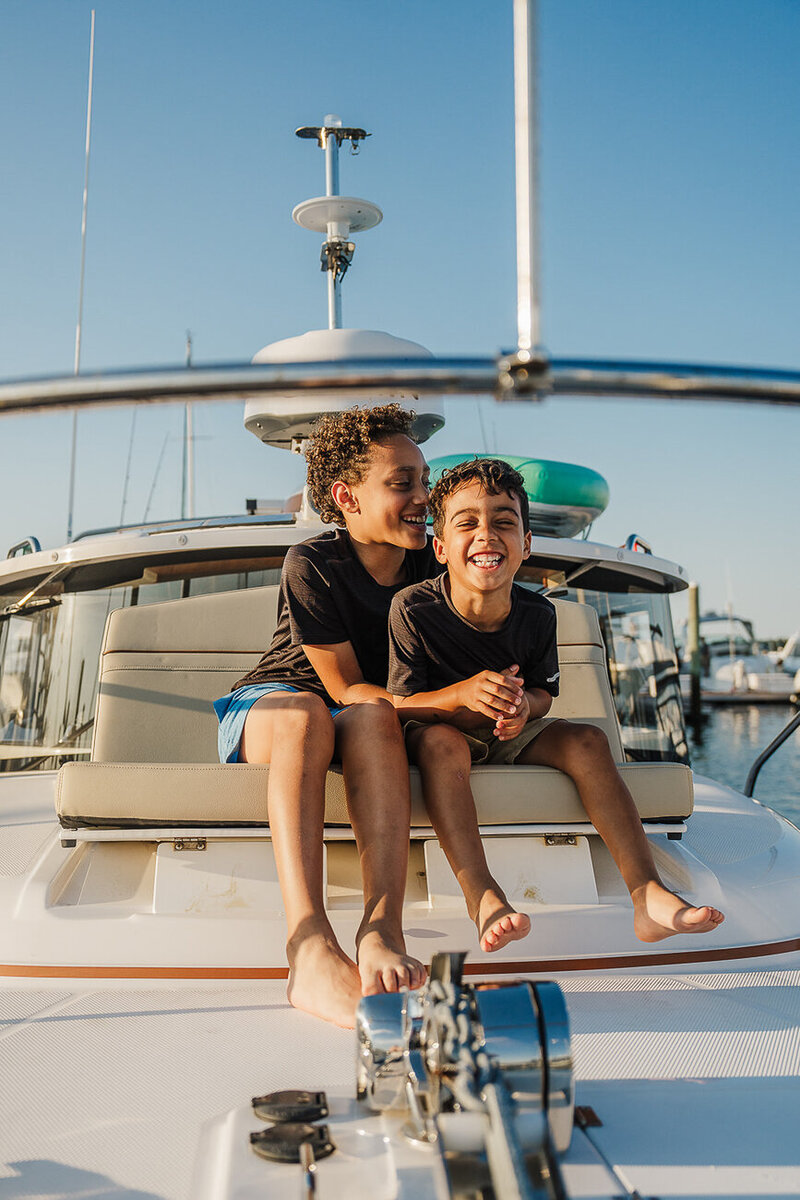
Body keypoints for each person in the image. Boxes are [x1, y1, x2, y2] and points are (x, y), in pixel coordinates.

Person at [388, 457, 725, 951]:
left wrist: (526, 707)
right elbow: (401, 703)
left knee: (587, 739)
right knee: (441, 743)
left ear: (526, 544)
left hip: (508, 734)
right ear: (440, 547)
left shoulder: (538, 613)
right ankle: (482, 896)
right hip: (439, 730)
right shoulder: (413, 607)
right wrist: (460, 695)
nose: (486, 535)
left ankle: (647, 894)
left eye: (504, 522)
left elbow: (546, 693)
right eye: (467, 523)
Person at [214, 404, 434, 1028]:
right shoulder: (313, 563)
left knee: (374, 718)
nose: (424, 497)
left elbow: (375, 698)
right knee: (314, 712)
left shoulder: (433, 565)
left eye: (425, 480)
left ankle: (380, 929)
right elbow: (341, 684)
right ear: (347, 496)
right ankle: (307, 945)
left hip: (363, 715)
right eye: (403, 483)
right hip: (272, 706)